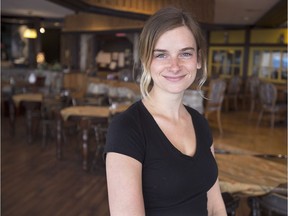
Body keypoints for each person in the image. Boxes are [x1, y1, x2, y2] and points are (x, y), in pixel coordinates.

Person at [104, 6, 227, 216]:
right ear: (146, 61)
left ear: (198, 59)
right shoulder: (127, 129)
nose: (175, 65)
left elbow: (215, 205)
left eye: (185, 53)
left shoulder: (199, 122)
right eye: (161, 55)